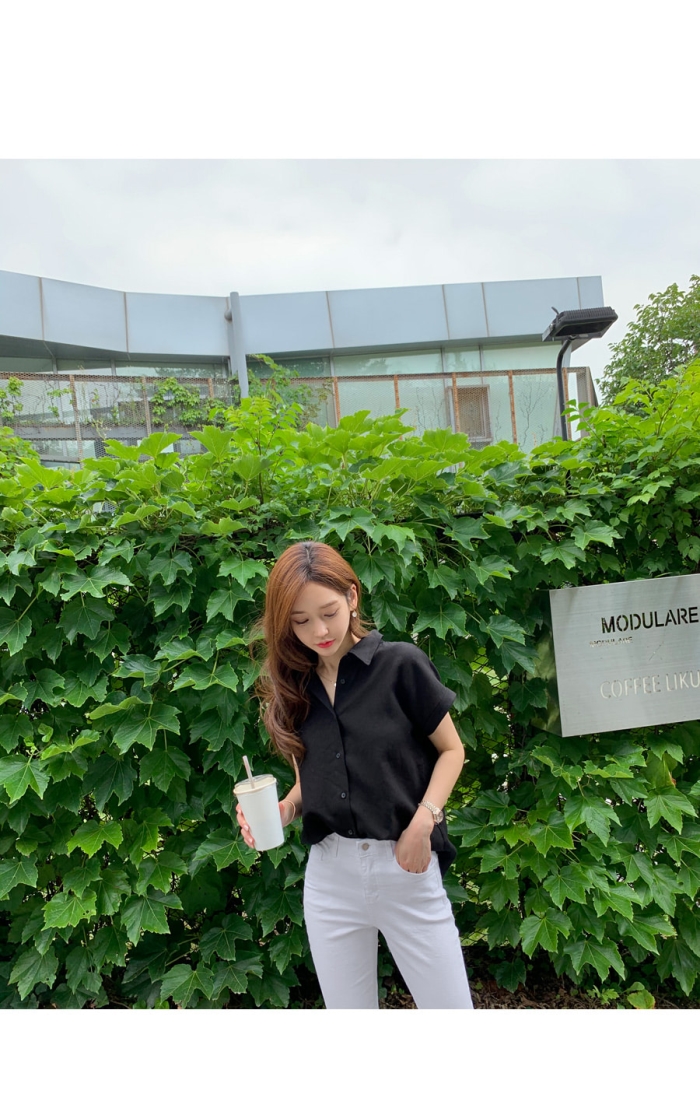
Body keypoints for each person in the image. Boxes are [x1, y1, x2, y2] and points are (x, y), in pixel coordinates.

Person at [236, 540, 473, 1009]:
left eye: (328, 612)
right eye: (300, 621)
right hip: (330, 879)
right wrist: (284, 810)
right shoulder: (296, 687)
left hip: (405, 865)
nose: (319, 631)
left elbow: (453, 750)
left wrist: (423, 823)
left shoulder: (401, 665)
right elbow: (312, 782)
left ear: (352, 597)